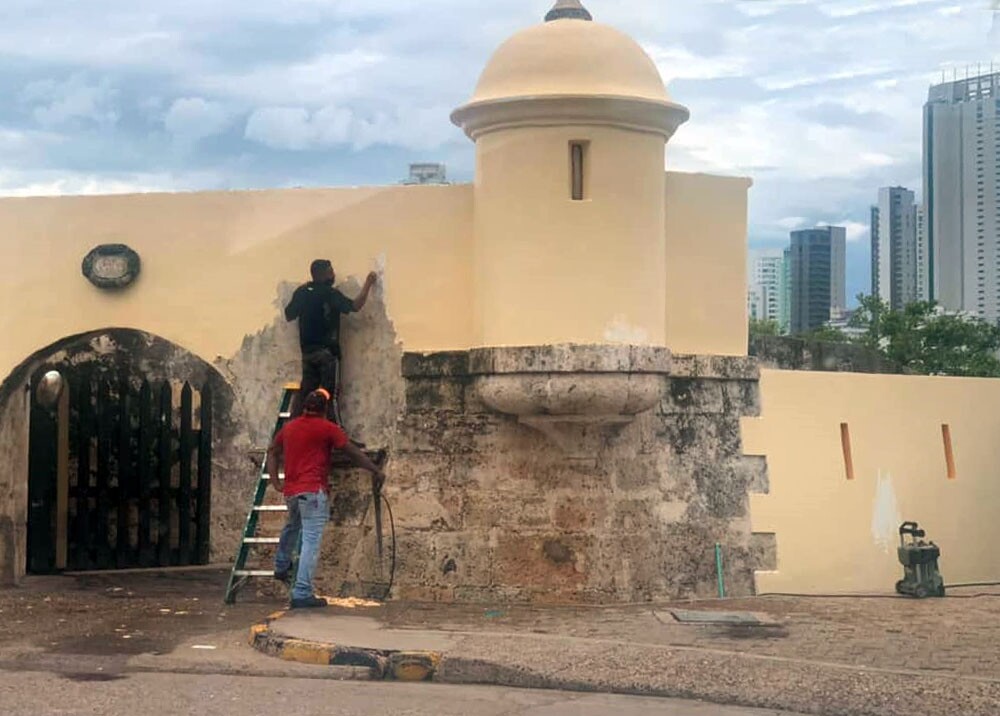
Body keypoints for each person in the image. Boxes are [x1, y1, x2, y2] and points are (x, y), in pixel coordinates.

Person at [266, 389, 386, 608]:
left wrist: (275, 481)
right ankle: (302, 592)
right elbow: (352, 452)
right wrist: (375, 469)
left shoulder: (289, 428)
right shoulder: (327, 428)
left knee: (292, 525)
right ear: (326, 410)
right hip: (313, 490)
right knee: (311, 540)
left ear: (304, 407)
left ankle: (281, 565)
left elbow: (272, 452)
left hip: (292, 491)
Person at [285, 259, 377, 420]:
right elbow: (355, 306)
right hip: (327, 353)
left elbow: (289, 314)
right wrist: (368, 283)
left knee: (306, 393)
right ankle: (337, 435)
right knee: (329, 395)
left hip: (307, 352)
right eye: (330, 272)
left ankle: (292, 431)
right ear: (322, 275)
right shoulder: (329, 294)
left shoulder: (302, 292)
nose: (333, 275)